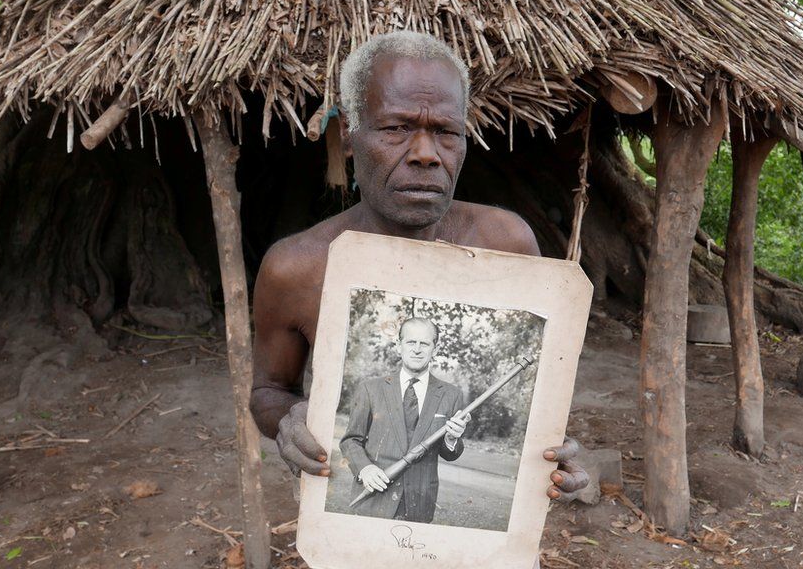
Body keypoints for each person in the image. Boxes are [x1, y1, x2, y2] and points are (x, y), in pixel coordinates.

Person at [249, 30, 588, 521]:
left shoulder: (507, 245)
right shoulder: (297, 268)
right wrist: (290, 422)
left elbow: (540, 403)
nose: (426, 153)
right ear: (347, 137)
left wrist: (555, 457)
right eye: (396, 128)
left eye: (446, 132)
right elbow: (268, 394)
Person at [340, 317, 470, 523]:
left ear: (434, 349)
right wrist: (365, 468)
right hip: (373, 498)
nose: (417, 349)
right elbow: (350, 441)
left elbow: (450, 454)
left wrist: (452, 439)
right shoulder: (370, 388)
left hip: (418, 506)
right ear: (399, 346)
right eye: (411, 342)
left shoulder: (451, 394)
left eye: (424, 343)